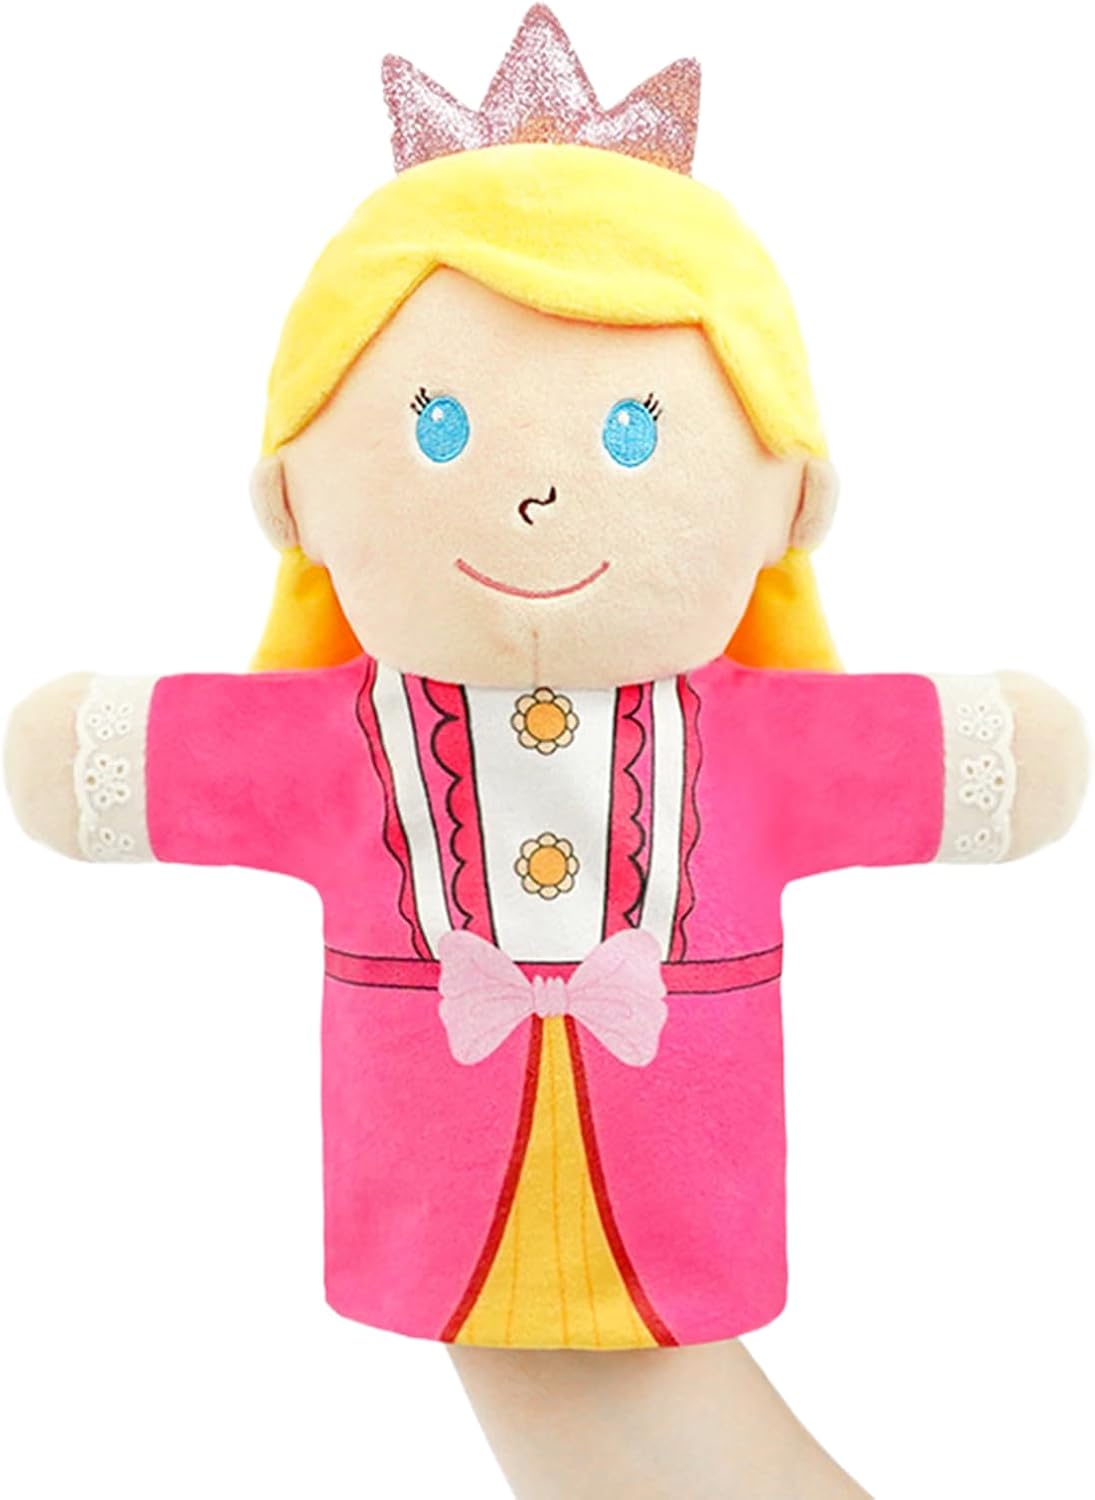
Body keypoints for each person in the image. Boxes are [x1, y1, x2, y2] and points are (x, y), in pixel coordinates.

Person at [3, 9, 1087, 1496]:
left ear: (786, 498)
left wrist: (999, 752)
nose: (536, 495)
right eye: (437, 426)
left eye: (638, 433)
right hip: (431, 1166)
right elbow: (160, 761)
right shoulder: (342, 736)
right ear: (296, 495)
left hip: (682, 1181)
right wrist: (90, 753)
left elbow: (928, 759)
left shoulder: (750, 737)